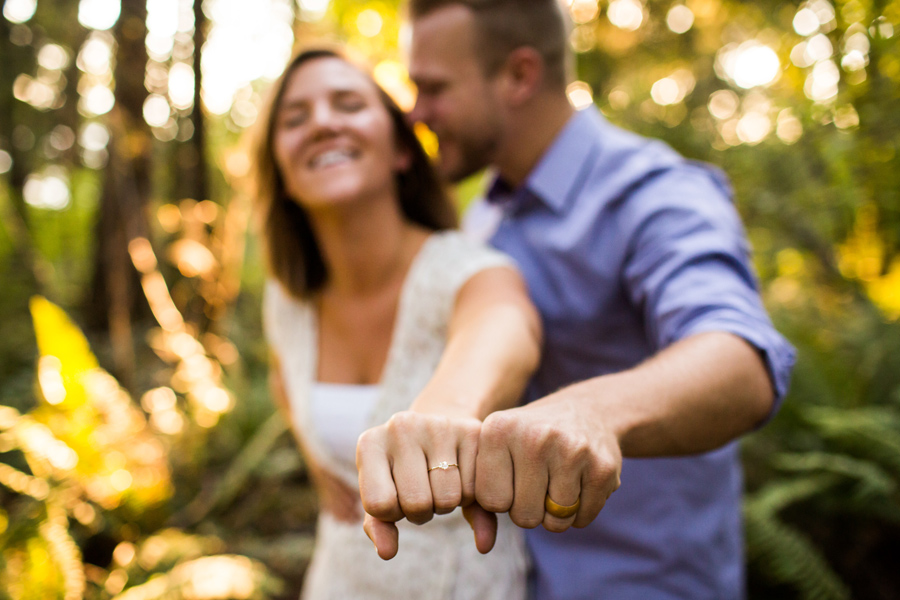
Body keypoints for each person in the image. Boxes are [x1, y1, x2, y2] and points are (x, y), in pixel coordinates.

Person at [357, 1, 797, 598]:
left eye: (433, 88)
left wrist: (592, 412)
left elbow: (741, 360)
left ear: (518, 75)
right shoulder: (485, 209)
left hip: (644, 582)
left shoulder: (655, 193)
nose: (416, 112)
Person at [254, 48, 542, 598]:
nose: (322, 123)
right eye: (295, 118)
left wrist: (447, 414)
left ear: (401, 152)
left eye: (349, 104)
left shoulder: (467, 271)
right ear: (283, 174)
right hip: (337, 579)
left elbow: (505, 327)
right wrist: (319, 462)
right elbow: (284, 382)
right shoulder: (287, 299)